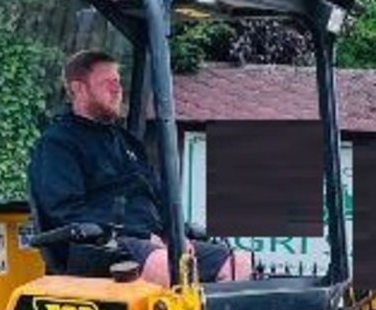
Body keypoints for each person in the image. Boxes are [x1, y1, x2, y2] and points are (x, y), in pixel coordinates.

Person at [28, 50, 251, 285]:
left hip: (146, 244)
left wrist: (176, 234)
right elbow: (65, 212)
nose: (117, 89)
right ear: (78, 89)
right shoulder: (58, 143)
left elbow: (158, 196)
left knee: (238, 264)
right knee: (170, 268)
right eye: (108, 83)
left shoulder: (127, 142)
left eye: (118, 82)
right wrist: (140, 235)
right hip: (95, 248)